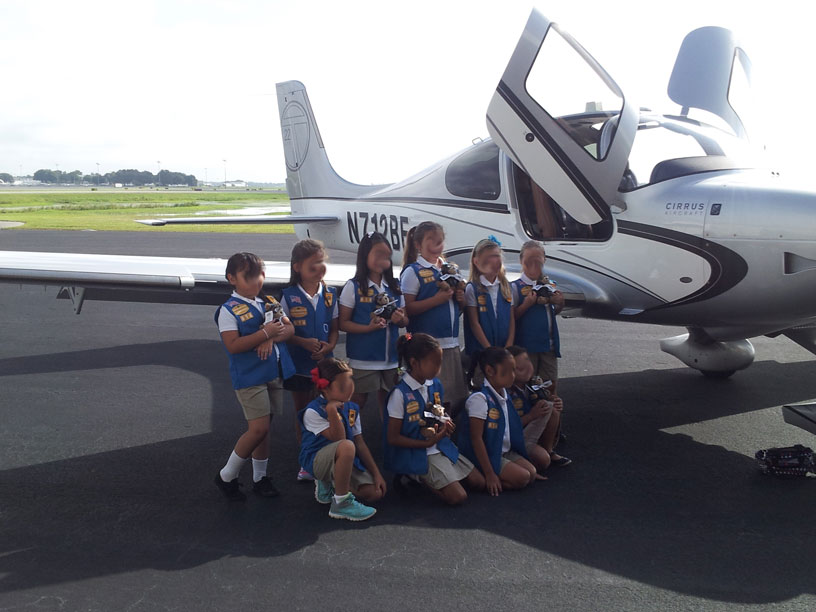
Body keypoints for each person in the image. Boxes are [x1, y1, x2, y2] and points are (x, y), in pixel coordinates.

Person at [213, 252, 296, 501]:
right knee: (258, 429)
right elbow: (234, 345)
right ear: (231, 278)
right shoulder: (228, 310)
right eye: (247, 276)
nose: (255, 280)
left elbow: (289, 329)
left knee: (265, 429)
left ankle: (260, 478)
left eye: (259, 274)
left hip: (272, 373)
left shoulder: (269, 302)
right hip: (249, 377)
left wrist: (269, 336)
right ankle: (227, 475)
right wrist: (266, 334)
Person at [383, 333, 485, 505]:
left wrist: (446, 421)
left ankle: (441, 475)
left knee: (479, 483)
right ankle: (415, 475)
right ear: (414, 363)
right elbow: (393, 438)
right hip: (418, 450)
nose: (439, 368)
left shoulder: (435, 384)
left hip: (439, 445)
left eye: (440, 362)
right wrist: (426, 444)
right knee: (458, 497)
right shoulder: (400, 394)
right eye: (435, 363)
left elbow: (441, 410)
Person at [298, 358, 387, 521]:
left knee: (375, 493)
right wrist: (331, 410)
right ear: (325, 387)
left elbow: (360, 443)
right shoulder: (313, 411)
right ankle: (341, 503)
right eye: (343, 385)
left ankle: (333, 484)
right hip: (317, 461)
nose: (350, 388)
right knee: (346, 446)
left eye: (350, 381)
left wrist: (376, 474)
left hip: (343, 459)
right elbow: (338, 440)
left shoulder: (352, 408)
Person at [281, 239, 339, 481]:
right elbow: (283, 331)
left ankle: (325, 454)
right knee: (303, 413)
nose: (319, 268)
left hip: (326, 366)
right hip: (300, 366)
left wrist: (330, 346)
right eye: (312, 265)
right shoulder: (287, 297)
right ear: (297, 267)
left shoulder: (330, 294)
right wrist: (304, 343)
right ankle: (306, 460)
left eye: (321, 263)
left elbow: (335, 328)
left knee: (326, 410)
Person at [400, 221, 468, 411]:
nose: (437, 244)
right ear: (418, 244)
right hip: (428, 345)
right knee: (435, 400)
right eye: (431, 239)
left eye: (440, 240)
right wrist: (437, 300)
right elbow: (408, 309)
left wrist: (460, 299)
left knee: (456, 397)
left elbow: (458, 307)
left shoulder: (450, 269)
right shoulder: (413, 272)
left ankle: (448, 434)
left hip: (451, 342)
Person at [338, 231, 408, 415]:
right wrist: (367, 328)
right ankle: (349, 438)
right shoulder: (353, 287)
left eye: (386, 255)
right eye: (378, 254)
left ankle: (388, 441)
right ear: (364, 256)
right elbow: (343, 323)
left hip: (391, 360)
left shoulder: (395, 287)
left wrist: (400, 319)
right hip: (363, 359)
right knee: (356, 402)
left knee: (390, 405)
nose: (382, 260)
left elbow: (405, 320)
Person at [458, 347, 538, 496]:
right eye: (508, 371)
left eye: (514, 370)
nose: (513, 376)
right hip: (489, 453)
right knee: (523, 477)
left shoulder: (504, 393)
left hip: (503, 450)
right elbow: (476, 439)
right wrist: (490, 474)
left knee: (532, 472)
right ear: (489, 371)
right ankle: (484, 479)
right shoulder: (480, 399)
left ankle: (499, 477)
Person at [511, 240, 564, 394]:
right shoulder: (515, 287)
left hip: (549, 345)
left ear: (544, 260)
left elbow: (552, 312)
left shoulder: (550, 286)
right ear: (521, 261)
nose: (533, 265)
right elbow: (512, 317)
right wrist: (527, 304)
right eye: (528, 262)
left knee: (550, 387)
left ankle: (550, 416)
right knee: (527, 387)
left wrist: (560, 303)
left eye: (538, 261)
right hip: (527, 348)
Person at [506, 345, 571, 471]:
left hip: (529, 432)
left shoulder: (532, 385)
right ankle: (518, 460)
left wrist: (555, 401)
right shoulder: (506, 393)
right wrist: (531, 416)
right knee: (542, 460)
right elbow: (506, 427)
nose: (528, 369)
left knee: (552, 408)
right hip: (512, 439)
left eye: (528, 362)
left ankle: (548, 449)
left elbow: (547, 403)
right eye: (520, 368)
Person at [463, 237, 515, 383]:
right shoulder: (472, 288)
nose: (494, 262)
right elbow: (474, 323)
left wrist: (509, 344)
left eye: (496, 257)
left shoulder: (506, 286)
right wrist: (489, 349)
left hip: (504, 348)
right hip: (483, 352)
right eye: (488, 258)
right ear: (477, 262)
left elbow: (511, 319)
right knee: (484, 386)